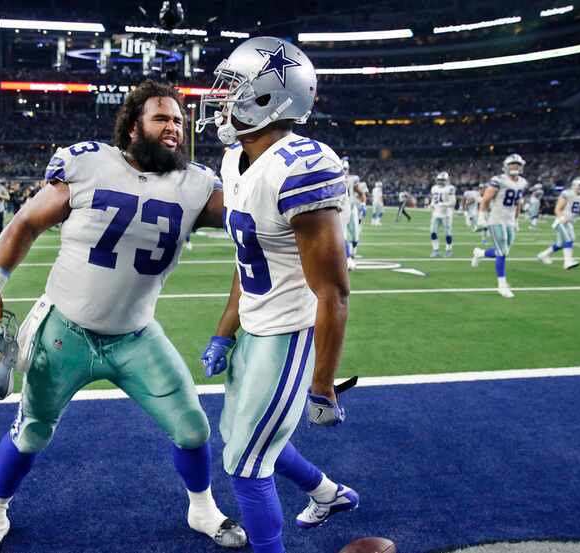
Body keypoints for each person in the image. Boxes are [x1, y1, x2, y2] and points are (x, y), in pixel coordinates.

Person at [0, 80, 245, 553]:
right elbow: (25, 223)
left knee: (193, 427)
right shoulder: (89, 162)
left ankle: (203, 509)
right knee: (31, 432)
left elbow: (251, 222)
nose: (173, 127)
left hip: (136, 336)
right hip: (65, 332)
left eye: (177, 119)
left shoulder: (196, 184)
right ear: (132, 125)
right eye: (161, 118)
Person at [196, 36, 357, 553]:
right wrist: (225, 333)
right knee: (246, 437)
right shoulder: (235, 160)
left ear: (269, 98)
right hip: (255, 329)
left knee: (245, 462)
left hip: (289, 333)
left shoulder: (302, 167)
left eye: (233, 88)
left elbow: (333, 291)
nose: (220, 98)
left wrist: (323, 385)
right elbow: (249, 259)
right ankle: (328, 494)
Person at [471, 154, 528, 298]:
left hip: (509, 220)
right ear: (506, 166)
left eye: (517, 164)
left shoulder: (522, 182)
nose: (514, 167)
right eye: (512, 164)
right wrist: (481, 217)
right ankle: (501, 285)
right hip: (496, 219)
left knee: (504, 251)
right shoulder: (498, 180)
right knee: (502, 252)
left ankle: (480, 253)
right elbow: (486, 199)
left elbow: (518, 203)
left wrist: (516, 220)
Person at [537, 176, 580, 269]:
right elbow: (557, 209)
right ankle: (567, 262)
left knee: (560, 244)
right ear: (575, 185)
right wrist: (562, 218)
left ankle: (543, 255)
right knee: (568, 239)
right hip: (561, 221)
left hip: (570, 222)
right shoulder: (567, 193)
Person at [341, 159, 364, 270]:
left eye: (345, 169)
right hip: (341, 209)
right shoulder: (336, 179)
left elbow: (360, 193)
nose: (344, 171)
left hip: (352, 208)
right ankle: (348, 258)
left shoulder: (352, 179)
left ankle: (353, 252)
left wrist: (363, 204)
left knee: (355, 232)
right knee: (343, 235)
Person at [429, 171, 456, 257]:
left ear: (447, 180)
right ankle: (435, 250)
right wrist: (432, 204)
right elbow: (433, 199)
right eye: (439, 180)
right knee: (433, 232)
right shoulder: (434, 188)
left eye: (442, 180)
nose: (440, 181)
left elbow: (453, 202)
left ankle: (449, 250)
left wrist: (443, 204)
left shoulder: (450, 188)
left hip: (446, 214)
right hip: (436, 213)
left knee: (448, 233)